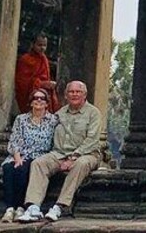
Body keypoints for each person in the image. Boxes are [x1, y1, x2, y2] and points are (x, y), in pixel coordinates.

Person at [18, 81, 101, 222]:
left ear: (85, 95)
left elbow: (92, 140)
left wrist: (73, 157)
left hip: (87, 154)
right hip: (59, 153)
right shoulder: (59, 113)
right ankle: (33, 207)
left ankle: (60, 206)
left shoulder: (93, 113)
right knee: (39, 163)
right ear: (66, 95)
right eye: (71, 92)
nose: (74, 94)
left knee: (80, 164)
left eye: (78, 92)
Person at [0, 88, 57, 223]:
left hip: (40, 155)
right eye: (35, 98)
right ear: (31, 103)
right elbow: (15, 139)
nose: (38, 100)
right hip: (20, 154)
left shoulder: (53, 121)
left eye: (41, 98)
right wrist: (17, 157)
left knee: (23, 170)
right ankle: (9, 209)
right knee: (9, 168)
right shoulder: (21, 119)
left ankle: (20, 207)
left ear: (46, 103)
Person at [14, 34, 59, 113]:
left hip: (45, 96)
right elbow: (22, 83)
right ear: (32, 44)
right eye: (39, 45)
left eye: (45, 45)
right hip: (32, 96)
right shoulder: (25, 60)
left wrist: (49, 85)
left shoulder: (44, 59)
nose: (42, 48)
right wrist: (41, 84)